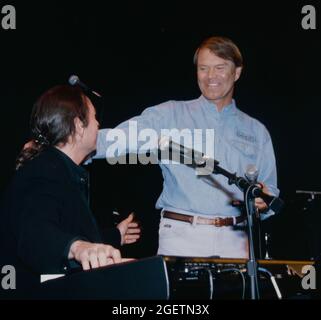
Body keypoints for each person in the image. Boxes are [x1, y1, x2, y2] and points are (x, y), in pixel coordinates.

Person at [94, 36, 279, 259]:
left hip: (237, 240)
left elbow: (270, 191)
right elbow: (119, 139)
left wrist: (264, 201)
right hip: (182, 237)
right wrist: (68, 145)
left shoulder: (257, 131)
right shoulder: (170, 114)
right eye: (203, 68)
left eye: (220, 68)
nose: (211, 76)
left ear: (237, 72)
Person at [0, 85, 140, 298]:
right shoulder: (44, 170)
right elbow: (35, 233)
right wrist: (78, 248)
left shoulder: (61, 172)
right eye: (94, 118)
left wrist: (114, 236)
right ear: (78, 125)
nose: (98, 124)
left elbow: (65, 231)